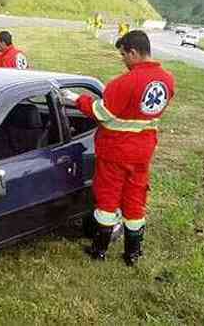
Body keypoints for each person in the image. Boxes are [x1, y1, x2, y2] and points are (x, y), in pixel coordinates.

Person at [62, 30, 175, 266]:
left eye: (124, 55)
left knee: (107, 199)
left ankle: (99, 249)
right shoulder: (167, 80)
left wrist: (76, 99)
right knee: (135, 199)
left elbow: (100, 113)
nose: (123, 60)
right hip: (143, 152)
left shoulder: (125, 82)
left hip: (116, 151)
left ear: (133, 52)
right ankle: (132, 253)